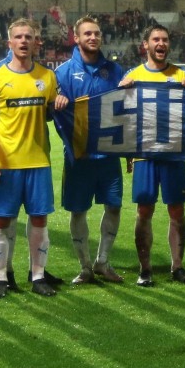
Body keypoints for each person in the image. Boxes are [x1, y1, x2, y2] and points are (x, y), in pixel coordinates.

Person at [0, 18, 59, 298]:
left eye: (30, 37)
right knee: (2, 221)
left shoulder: (47, 77)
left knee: (39, 220)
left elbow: (51, 112)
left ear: (37, 42)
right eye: (19, 37)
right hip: (6, 164)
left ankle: (37, 276)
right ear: (9, 43)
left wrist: (58, 103)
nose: (24, 41)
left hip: (39, 162)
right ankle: (1, 278)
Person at [53, 16, 130, 285]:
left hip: (109, 155)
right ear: (76, 37)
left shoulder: (115, 70)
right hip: (79, 156)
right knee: (78, 211)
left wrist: (129, 91)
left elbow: (128, 109)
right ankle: (84, 266)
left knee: (114, 207)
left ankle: (102, 262)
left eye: (97, 33)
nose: (93, 37)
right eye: (87, 33)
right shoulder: (62, 73)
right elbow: (48, 113)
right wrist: (57, 100)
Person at [122, 24, 185, 283]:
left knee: (177, 211)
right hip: (145, 154)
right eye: (156, 39)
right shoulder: (133, 75)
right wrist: (123, 92)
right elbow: (120, 115)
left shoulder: (180, 75)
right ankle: (145, 270)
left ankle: (177, 267)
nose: (161, 43)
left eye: (165, 39)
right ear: (146, 45)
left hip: (173, 153)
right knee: (145, 210)